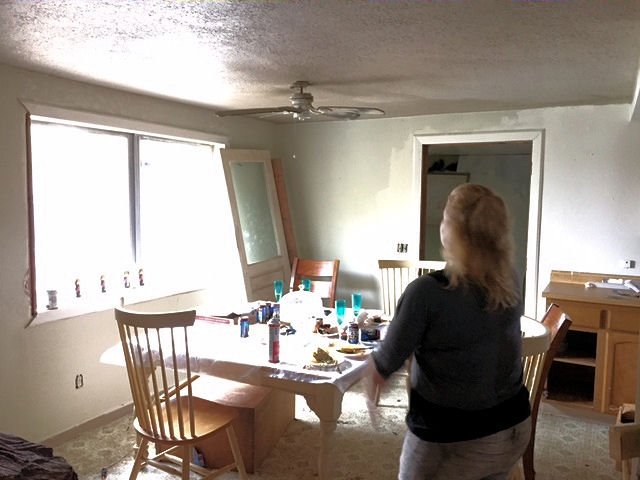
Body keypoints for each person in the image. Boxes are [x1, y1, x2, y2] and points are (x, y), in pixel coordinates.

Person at [367, 183, 530, 480]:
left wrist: (371, 381)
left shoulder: (427, 293)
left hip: (458, 435)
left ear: (453, 232)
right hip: (515, 426)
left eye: (444, 217)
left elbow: (386, 360)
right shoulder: (511, 279)